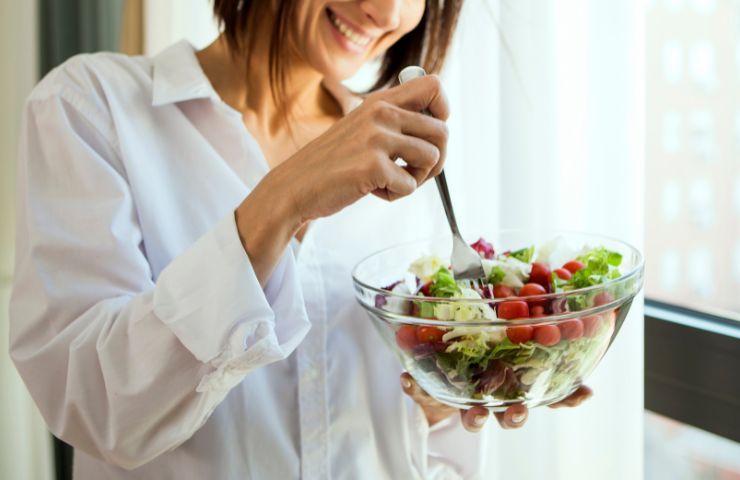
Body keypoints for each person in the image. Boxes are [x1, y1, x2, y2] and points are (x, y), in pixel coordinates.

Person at [9, 1, 591, 478]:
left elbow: (429, 459)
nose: (385, 10)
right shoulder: (91, 106)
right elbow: (93, 404)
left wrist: (445, 399)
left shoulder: (401, 157)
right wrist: (281, 201)